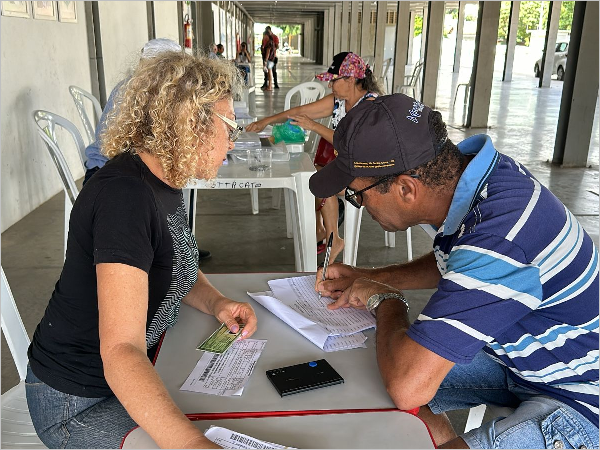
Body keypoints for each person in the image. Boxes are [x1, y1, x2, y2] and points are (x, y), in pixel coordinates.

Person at [310, 93, 599, 449]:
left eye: (358, 195)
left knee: (403, 378)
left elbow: (408, 388)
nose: (360, 205)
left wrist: (386, 300)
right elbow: (463, 260)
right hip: (520, 360)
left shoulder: (499, 238)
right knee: (371, 373)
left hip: (580, 395)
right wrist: (373, 277)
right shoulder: (475, 180)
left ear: (406, 188)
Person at [25, 52, 258, 449]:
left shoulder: (162, 177)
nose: (232, 142)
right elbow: (120, 350)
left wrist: (216, 302)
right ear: (192, 125)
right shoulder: (125, 198)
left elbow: (175, 262)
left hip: (128, 377)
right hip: (77, 404)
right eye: (230, 126)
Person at [246, 52, 384, 264]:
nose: (330, 85)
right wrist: (265, 121)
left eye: (333, 80)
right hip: (345, 168)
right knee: (310, 175)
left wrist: (313, 126)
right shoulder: (339, 101)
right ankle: (323, 231)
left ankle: (331, 237)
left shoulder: (370, 106)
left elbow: (349, 144)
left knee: (318, 179)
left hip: (368, 174)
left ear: (350, 79)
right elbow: (300, 111)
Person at [83, 38, 211, 262]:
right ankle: (174, 250)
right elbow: (121, 149)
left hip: (126, 171)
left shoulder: (161, 92)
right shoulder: (133, 92)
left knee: (175, 178)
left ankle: (181, 247)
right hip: (107, 171)